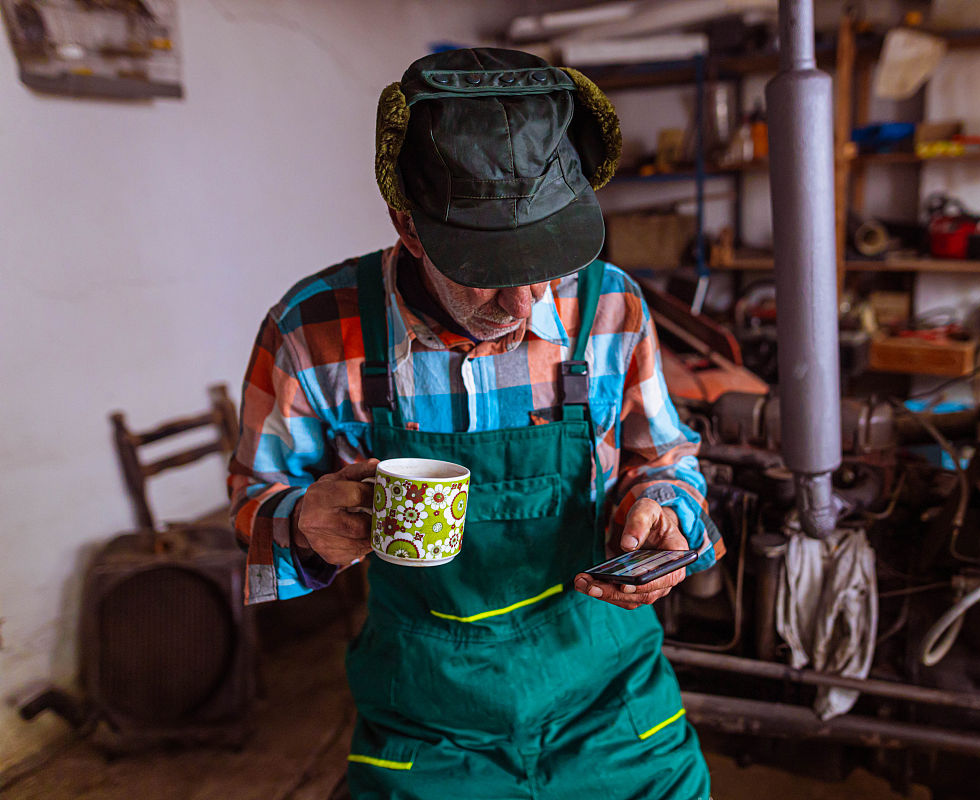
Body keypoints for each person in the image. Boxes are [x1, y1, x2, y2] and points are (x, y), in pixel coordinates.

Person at [229, 47, 724, 800]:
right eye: (490, 271)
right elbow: (253, 499)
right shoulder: (311, 329)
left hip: (608, 703)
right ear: (409, 226)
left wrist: (664, 505)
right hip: (430, 718)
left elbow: (664, 456)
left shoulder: (612, 305)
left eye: (547, 262)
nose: (526, 304)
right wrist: (301, 524)